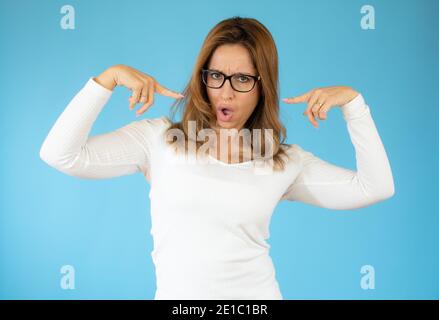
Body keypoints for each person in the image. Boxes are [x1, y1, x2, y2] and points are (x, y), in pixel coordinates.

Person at [39, 16, 395, 300]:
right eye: (215, 76)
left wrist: (354, 106)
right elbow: (61, 155)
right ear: (202, 78)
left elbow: (375, 187)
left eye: (242, 78)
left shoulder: (282, 161)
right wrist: (107, 79)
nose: (225, 91)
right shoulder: (159, 140)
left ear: (263, 85)